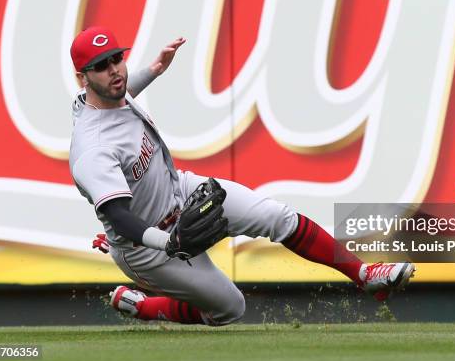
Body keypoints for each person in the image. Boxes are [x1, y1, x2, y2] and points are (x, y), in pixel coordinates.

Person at [69, 26, 415, 326]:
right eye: (101, 67)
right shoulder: (93, 149)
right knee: (230, 309)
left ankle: (365, 275)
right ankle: (143, 306)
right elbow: (118, 215)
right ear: (83, 78)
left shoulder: (107, 95)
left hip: (182, 192)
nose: (114, 71)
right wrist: (165, 242)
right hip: (147, 248)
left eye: (117, 59)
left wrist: (155, 69)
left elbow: (123, 91)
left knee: (276, 216)